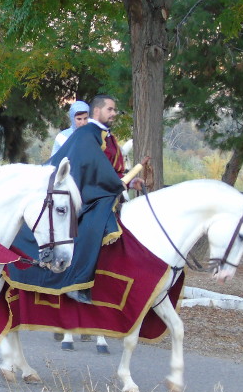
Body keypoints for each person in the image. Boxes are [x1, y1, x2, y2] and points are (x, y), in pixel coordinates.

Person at [8, 94, 143, 303]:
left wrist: (128, 182)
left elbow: (107, 169)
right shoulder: (88, 134)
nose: (114, 113)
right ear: (97, 111)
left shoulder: (106, 136)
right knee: (94, 225)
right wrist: (117, 184)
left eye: (114, 109)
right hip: (83, 192)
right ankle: (77, 281)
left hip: (101, 189)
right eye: (110, 109)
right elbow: (92, 169)